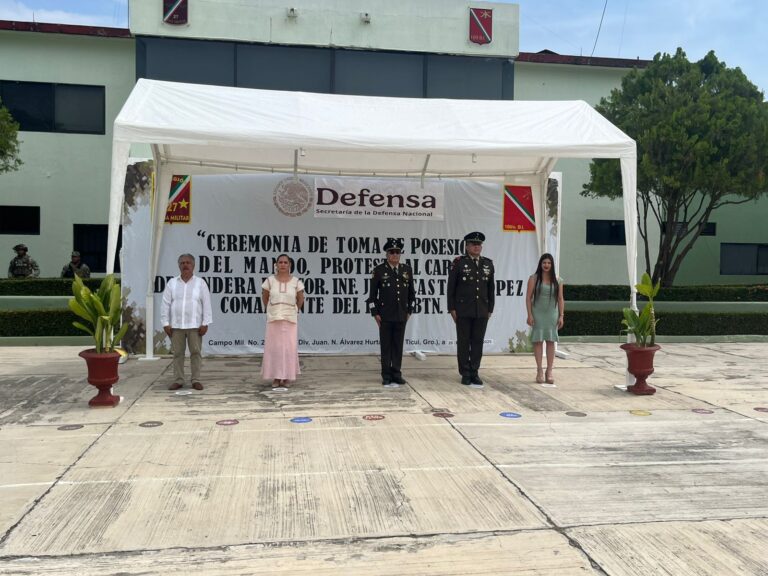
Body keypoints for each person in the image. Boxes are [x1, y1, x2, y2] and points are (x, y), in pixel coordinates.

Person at [366, 238, 416, 387]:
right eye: (391, 252)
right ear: (387, 254)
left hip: (401, 314)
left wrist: (410, 310)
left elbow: (411, 293)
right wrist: (375, 313)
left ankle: (396, 373)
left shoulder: (406, 270)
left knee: (398, 345)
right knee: (386, 346)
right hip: (385, 315)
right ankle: (386, 374)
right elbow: (372, 296)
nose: (395, 255)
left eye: (397, 252)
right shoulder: (379, 270)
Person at [447, 231, 494, 387]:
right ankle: (465, 373)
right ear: (467, 246)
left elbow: (491, 288)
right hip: (463, 310)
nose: (476, 246)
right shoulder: (459, 262)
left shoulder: (488, 263)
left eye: (479, 244)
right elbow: (451, 288)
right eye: (473, 244)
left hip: (481, 309)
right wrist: (452, 308)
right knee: (464, 342)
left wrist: (490, 308)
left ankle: (474, 372)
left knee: (478, 342)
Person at [161, 253, 213, 390]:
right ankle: (178, 380)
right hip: (176, 326)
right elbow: (165, 304)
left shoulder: (200, 283)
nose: (185, 265)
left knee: (195, 353)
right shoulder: (172, 283)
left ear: (193, 266)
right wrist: (165, 323)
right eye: (182, 263)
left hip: (195, 325)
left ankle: (195, 379)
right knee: (178, 354)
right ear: (179, 266)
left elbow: (206, 304)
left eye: (188, 263)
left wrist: (205, 323)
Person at [261, 254, 305, 389]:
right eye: (280, 262)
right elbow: (265, 297)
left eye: (286, 262)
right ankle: (276, 377)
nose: (283, 265)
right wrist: (271, 309)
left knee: (288, 348)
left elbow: (300, 299)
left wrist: (294, 309)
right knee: (274, 348)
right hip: (274, 318)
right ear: (276, 264)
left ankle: (286, 377)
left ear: (290, 265)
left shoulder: (296, 282)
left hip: (290, 319)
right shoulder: (269, 281)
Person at [526, 253, 565, 385]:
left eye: (549, 263)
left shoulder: (558, 280)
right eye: (544, 263)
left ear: (552, 264)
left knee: (550, 341)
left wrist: (561, 315)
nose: (546, 265)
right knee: (537, 341)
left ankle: (549, 371)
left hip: (552, 314)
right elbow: (528, 298)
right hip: (537, 313)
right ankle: (539, 370)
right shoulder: (533, 278)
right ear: (540, 264)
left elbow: (560, 298)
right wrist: (529, 315)